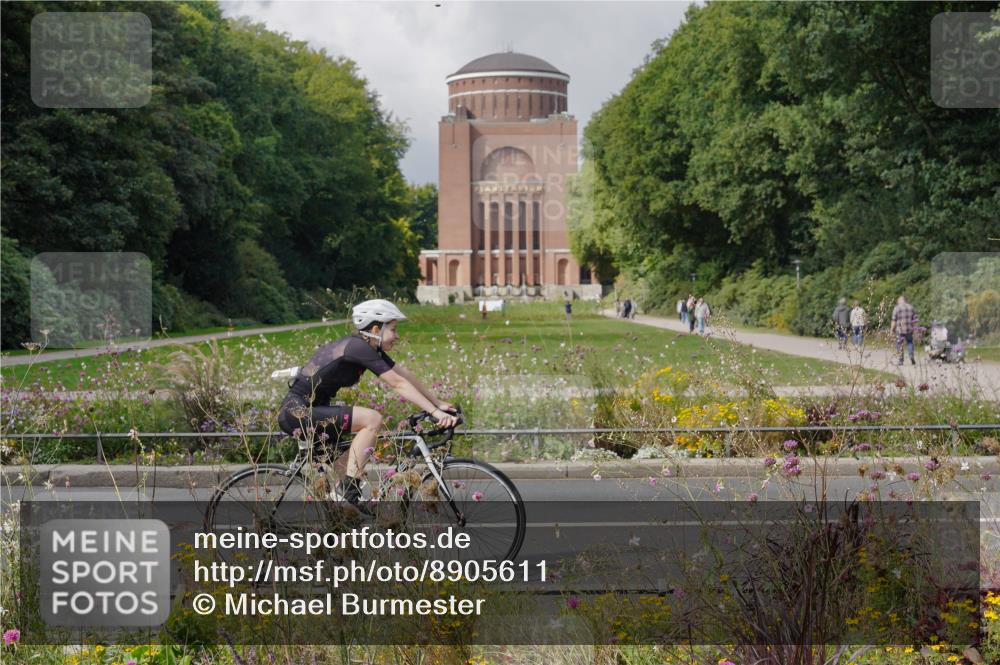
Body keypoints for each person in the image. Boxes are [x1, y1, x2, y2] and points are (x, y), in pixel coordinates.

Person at [276, 299, 459, 512]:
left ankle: (342, 516)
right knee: (372, 419)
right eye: (393, 329)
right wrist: (434, 412)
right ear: (375, 329)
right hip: (297, 413)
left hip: (312, 411)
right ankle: (348, 490)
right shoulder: (357, 347)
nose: (397, 336)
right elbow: (398, 384)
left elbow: (404, 375)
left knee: (348, 471)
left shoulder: (366, 348)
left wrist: (438, 403)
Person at [890, 295, 918, 365]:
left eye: (898, 300)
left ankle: (901, 360)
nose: (897, 302)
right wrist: (916, 328)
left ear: (900, 300)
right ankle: (911, 356)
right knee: (910, 342)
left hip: (899, 329)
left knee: (899, 344)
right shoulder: (911, 307)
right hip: (909, 329)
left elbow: (894, 320)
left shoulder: (897, 308)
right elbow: (915, 320)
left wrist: (891, 330)